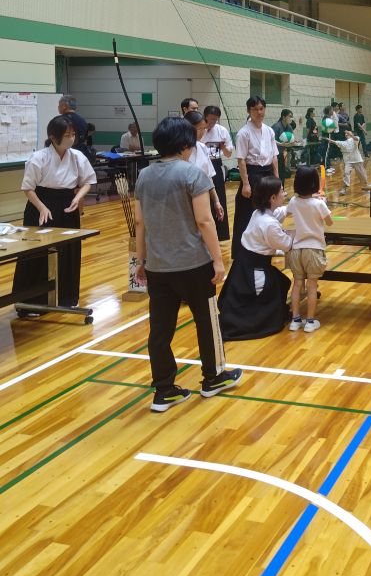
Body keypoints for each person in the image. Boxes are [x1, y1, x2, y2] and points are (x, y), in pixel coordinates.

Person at [134, 117, 242, 412]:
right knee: (208, 322)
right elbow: (205, 221)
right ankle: (213, 377)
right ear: (185, 144)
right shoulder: (192, 174)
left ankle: (164, 390)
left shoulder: (143, 176)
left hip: (157, 267)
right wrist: (218, 262)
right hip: (193, 265)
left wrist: (140, 261)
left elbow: (140, 223)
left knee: (160, 329)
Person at [12, 115, 96, 309]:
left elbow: (88, 181)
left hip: (68, 205)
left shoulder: (77, 156)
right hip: (41, 205)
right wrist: (42, 207)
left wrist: (77, 198)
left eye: (73, 134)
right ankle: (30, 302)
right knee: (37, 253)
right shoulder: (39, 157)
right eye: (67, 135)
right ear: (53, 136)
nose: (71, 138)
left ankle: (66, 298)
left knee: (69, 251)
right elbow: (28, 188)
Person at [217, 176, 293, 340]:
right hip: (255, 271)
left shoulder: (259, 213)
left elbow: (280, 212)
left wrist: (299, 203)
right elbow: (287, 245)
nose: (285, 194)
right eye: (282, 192)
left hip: (242, 267)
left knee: (282, 282)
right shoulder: (269, 224)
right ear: (273, 198)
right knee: (273, 291)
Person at [286, 165, 333, 333]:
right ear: (315, 183)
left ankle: (295, 320)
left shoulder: (293, 201)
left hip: (296, 250)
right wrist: (323, 203)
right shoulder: (318, 204)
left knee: (297, 284)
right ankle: (310, 321)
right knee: (312, 286)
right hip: (313, 250)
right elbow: (329, 222)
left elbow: (291, 211)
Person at [232, 96, 279, 257]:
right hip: (252, 175)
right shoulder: (244, 133)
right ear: (248, 111)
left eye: (261, 108)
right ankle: (242, 252)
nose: (259, 112)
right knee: (247, 214)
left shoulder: (269, 130)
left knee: (268, 212)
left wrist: (277, 179)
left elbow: (274, 156)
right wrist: (245, 183)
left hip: (267, 174)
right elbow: (241, 160)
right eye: (255, 109)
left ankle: (266, 247)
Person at [184, 111, 225, 228]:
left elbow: (209, 177)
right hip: (184, 199)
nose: (202, 133)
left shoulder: (202, 147)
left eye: (204, 129)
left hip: (203, 197)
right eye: (199, 129)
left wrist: (216, 201)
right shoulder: (179, 151)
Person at [202, 105, 233, 241]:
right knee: (202, 199)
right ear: (205, 117)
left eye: (215, 120)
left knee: (219, 199)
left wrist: (223, 146)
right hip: (200, 166)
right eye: (210, 119)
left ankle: (220, 234)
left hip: (216, 165)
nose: (213, 123)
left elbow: (228, 153)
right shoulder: (199, 130)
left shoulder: (222, 131)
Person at [336, 130, 368, 196]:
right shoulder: (345, 142)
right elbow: (336, 142)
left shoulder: (356, 138)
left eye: (347, 133)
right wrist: (329, 140)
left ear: (352, 133)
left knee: (362, 175)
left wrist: (351, 135)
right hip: (348, 161)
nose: (346, 134)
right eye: (345, 133)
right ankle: (344, 189)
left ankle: (366, 187)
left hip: (357, 160)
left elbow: (356, 139)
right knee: (346, 173)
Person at [272, 108, 295, 183]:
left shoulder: (289, 127)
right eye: (290, 116)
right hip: (273, 154)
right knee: (275, 174)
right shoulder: (276, 126)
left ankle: (281, 190)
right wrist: (281, 144)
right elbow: (271, 141)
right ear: (283, 117)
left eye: (292, 116)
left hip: (280, 153)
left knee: (282, 173)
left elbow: (291, 138)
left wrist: (294, 141)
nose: (291, 118)